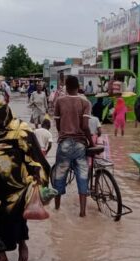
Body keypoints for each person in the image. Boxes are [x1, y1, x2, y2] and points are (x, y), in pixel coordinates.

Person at [0, 100, 50, 261]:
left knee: (17, 219)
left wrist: (38, 177)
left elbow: (34, 155)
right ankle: (2, 257)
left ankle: (22, 246)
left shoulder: (21, 130)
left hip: (16, 186)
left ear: (7, 114)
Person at [53, 75, 92, 217]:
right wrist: (91, 143)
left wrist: (63, 134)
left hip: (64, 143)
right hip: (80, 144)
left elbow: (57, 125)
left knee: (59, 174)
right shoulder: (85, 102)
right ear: (78, 87)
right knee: (82, 175)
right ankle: (82, 212)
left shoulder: (59, 101)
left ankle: (57, 208)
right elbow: (85, 126)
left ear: (66, 87)